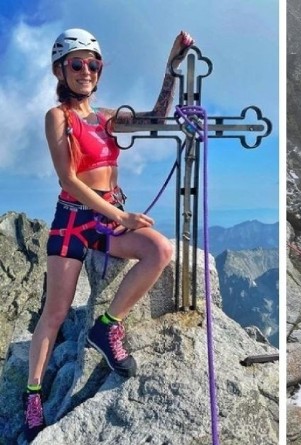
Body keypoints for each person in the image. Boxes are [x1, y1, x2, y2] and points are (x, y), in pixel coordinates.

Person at [23, 28, 193, 440]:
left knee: (159, 249)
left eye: (92, 64)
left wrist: (171, 67)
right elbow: (68, 177)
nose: (86, 71)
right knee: (56, 313)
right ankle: (33, 396)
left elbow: (157, 117)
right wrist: (122, 215)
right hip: (73, 221)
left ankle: (106, 325)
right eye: (77, 64)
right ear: (60, 70)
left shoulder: (105, 118)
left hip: (104, 220)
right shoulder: (57, 117)